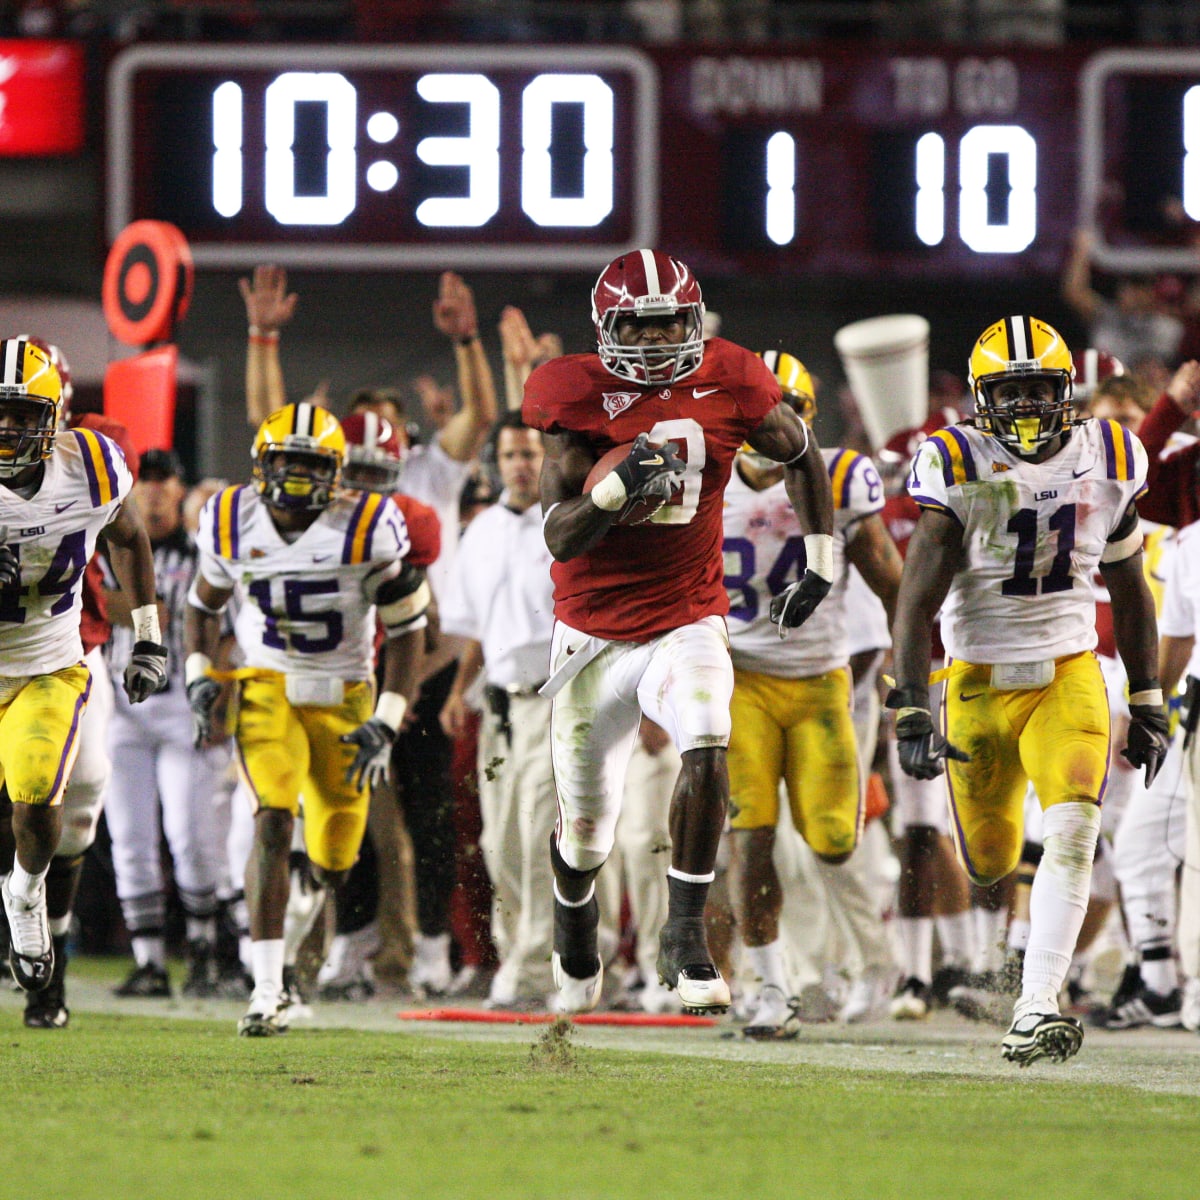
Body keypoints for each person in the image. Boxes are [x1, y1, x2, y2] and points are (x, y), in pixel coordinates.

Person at [522, 249, 836, 1015]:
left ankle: (686, 934)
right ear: (608, 329)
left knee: (707, 734)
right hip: (592, 637)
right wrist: (611, 497)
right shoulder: (574, 395)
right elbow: (559, 536)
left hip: (687, 615)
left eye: (672, 327)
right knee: (586, 834)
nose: (660, 343)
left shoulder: (731, 376)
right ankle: (575, 920)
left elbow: (800, 452)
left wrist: (821, 562)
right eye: (643, 327)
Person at [886, 314, 1169, 1066]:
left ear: (1065, 392)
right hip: (976, 677)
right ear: (982, 398)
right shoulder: (955, 461)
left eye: (1040, 391)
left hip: (1067, 671)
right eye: (1009, 393)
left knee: (1075, 829)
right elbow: (915, 598)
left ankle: (1037, 1003)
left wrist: (1146, 698)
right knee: (989, 859)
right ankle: (1017, 973)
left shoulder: (1109, 453)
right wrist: (913, 700)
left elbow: (1130, 585)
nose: (1024, 408)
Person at [183, 401, 428, 1036]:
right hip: (266, 685)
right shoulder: (229, 520)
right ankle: (265, 988)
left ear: (336, 472)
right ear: (261, 464)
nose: (294, 477)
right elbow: (201, 604)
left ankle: (289, 953)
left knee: (333, 857)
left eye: (309, 464)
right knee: (271, 814)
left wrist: (390, 717)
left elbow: (409, 631)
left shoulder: (369, 525)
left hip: (345, 694)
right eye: (285, 462)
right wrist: (199, 676)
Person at [721, 350, 903, 1037]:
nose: (772, 427)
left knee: (831, 840)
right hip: (740, 680)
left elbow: (893, 582)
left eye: (786, 412)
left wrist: (910, 676)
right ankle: (770, 985)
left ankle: (868, 962)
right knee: (752, 838)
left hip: (822, 679)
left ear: (807, 417)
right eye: (759, 414)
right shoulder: (707, 482)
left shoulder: (840, 476)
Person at [0, 337, 167, 1014]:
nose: (9, 429)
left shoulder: (93, 466)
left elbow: (129, 536)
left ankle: (36, 920)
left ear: (57, 416)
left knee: (64, 803)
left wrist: (150, 637)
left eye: (23, 414)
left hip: (56, 660)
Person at [439, 411, 557, 1009]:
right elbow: (479, 629)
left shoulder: (566, 520)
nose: (520, 464)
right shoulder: (482, 528)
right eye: (510, 454)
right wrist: (461, 689)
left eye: (531, 453)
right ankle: (519, 956)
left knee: (541, 836)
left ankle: (538, 966)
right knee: (499, 844)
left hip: (555, 698)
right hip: (499, 702)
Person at [102, 448, 228, 999]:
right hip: (122, 708)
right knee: (129, 839)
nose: (153, 490)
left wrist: (223, 698)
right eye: (144, 480)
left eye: (164, 480)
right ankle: (148, 959)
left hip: (182, 706)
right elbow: (100, 605)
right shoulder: (105, 544)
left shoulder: (202, 550)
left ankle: (202, 947)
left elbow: (220, 622)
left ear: (180, 489)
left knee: (191, 836)